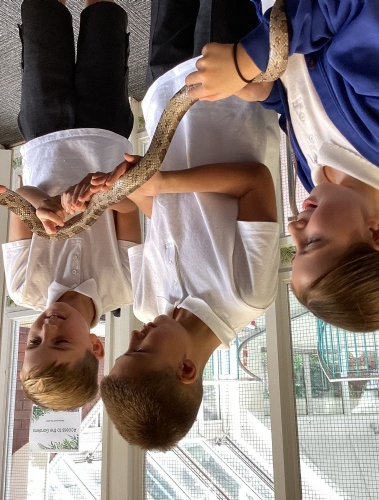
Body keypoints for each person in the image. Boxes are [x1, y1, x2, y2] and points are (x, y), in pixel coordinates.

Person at [185, 0, 379, 332]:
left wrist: (268, 93)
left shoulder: (318, 182)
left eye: (295, 249)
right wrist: (245, 61)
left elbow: (305, 98)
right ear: (375, 232)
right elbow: (355, 6)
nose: (294, 229)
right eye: (312, 242)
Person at [96, 0, 280, 451]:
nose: (135, 335)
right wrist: (164, 183)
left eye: (126, 348)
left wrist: (123, 187)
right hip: (226, 100)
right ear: (185, 369)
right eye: (141, 350)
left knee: (168, 12)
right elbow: (254, 182)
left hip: (165, 97)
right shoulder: (246, 296)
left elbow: (161, 213)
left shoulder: (148, 306)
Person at [1, 0, 140, 411]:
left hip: (44, 136)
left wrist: (43, 204)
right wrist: (102, 196)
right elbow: (130, 209)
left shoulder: (24, 287)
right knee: (104, 24)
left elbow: (18, 197)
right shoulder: (125, 286)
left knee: (42, 25)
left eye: (34, 341)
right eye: (60, 343)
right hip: (106, 133)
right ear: (96, 346)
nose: (47, 328)